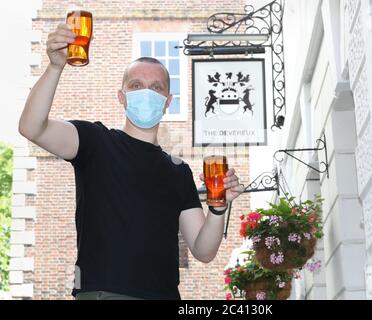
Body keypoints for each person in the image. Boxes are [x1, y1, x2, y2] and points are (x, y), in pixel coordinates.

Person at [18, 23, 244, 300]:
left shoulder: (179, 171)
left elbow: (203, 250)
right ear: (122, 97)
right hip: (105, 294)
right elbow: (32, 127)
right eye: (136, 85)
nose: (146, 93)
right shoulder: (95, 142)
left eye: (156, 87)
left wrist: (219, 208)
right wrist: (55, 67)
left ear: (167, 101)